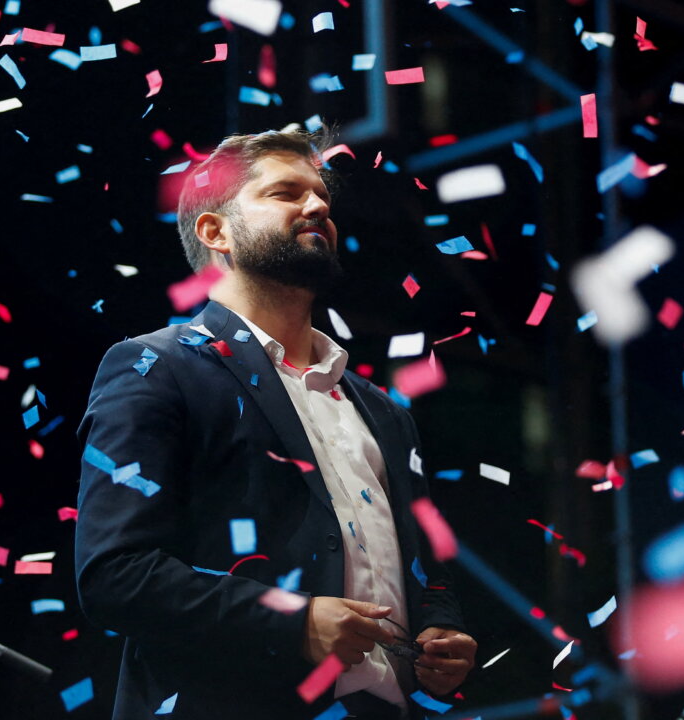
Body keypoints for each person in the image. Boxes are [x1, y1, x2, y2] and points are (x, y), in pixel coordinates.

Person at [74, 128, 476, 720]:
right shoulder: (156, 367)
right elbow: (114, 575)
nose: (317, 207)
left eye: (321, 196)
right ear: (217, 232)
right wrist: (292, 620)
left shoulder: (382, 410)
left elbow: (425, 570)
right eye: (286, 193)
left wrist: (442, 629)